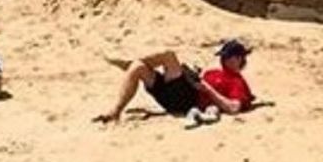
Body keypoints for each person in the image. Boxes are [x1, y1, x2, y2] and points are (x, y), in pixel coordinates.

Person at [93, 45, 251, 127]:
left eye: (226, 57)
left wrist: (208, 90)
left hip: (190, 99)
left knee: (168, 55)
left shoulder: (238, 82)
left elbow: (233, 108)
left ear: (237, 59)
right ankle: (115, 112)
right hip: (177, 94)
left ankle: (129, 63)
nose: (222, 60)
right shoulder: (215, 72)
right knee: (137, 69)